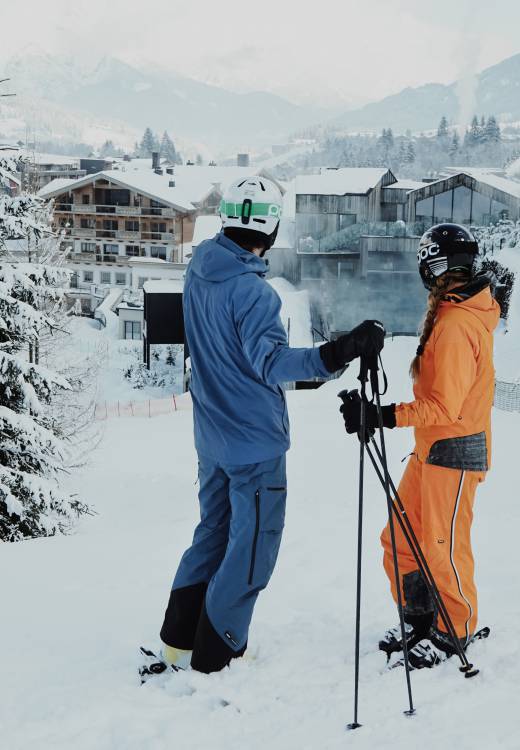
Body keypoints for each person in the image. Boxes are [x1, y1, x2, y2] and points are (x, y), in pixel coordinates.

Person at [157, 176, 385, 674]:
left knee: (213, 530)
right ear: (272, 226)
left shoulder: (200, 268)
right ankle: (219, 652)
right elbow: (272, 365)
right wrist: (338, 351)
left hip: (211, 436)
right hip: (253, 443)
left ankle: (178, 641)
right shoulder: (254, 294)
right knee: (253, 545)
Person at [341, 223, 500, 669]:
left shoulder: (455, 326)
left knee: (441, 546)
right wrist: (378, 412)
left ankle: (455, 628)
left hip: (454, 450)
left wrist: (384, 415)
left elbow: (444, 408)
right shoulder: (452, 315)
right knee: (399, 539)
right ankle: (420, 617)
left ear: (434, 266)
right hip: (431, 449)